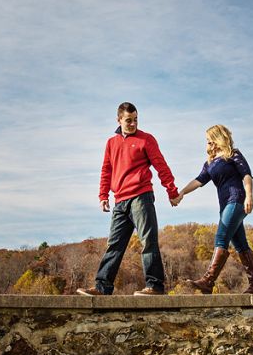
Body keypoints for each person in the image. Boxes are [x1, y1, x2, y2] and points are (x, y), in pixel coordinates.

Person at [76, 102, 180, 296]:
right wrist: (103, 195)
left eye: (136, 120)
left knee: (148, 241)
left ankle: (155, 286)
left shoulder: (146, 140)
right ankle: (102, 287)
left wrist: (172, 191)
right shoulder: (111, 143)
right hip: (120, 200)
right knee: (114, 244)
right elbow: (106, 170)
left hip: (141, 196)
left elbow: (161, 166)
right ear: (119, 120)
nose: (133, 124)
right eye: (128, 120)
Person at [172, 124, 253, 294]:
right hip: (225, 206)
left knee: (221, 236)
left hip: (236, 200)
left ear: (217, 139)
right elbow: (198, 181)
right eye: (207, 141)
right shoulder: (209, 163)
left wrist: (250, 195)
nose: (207, 144)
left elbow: (246, 175)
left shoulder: (233, 154)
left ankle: (208, 280)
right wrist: (182, 193)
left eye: (209, 140)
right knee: (241, 245)